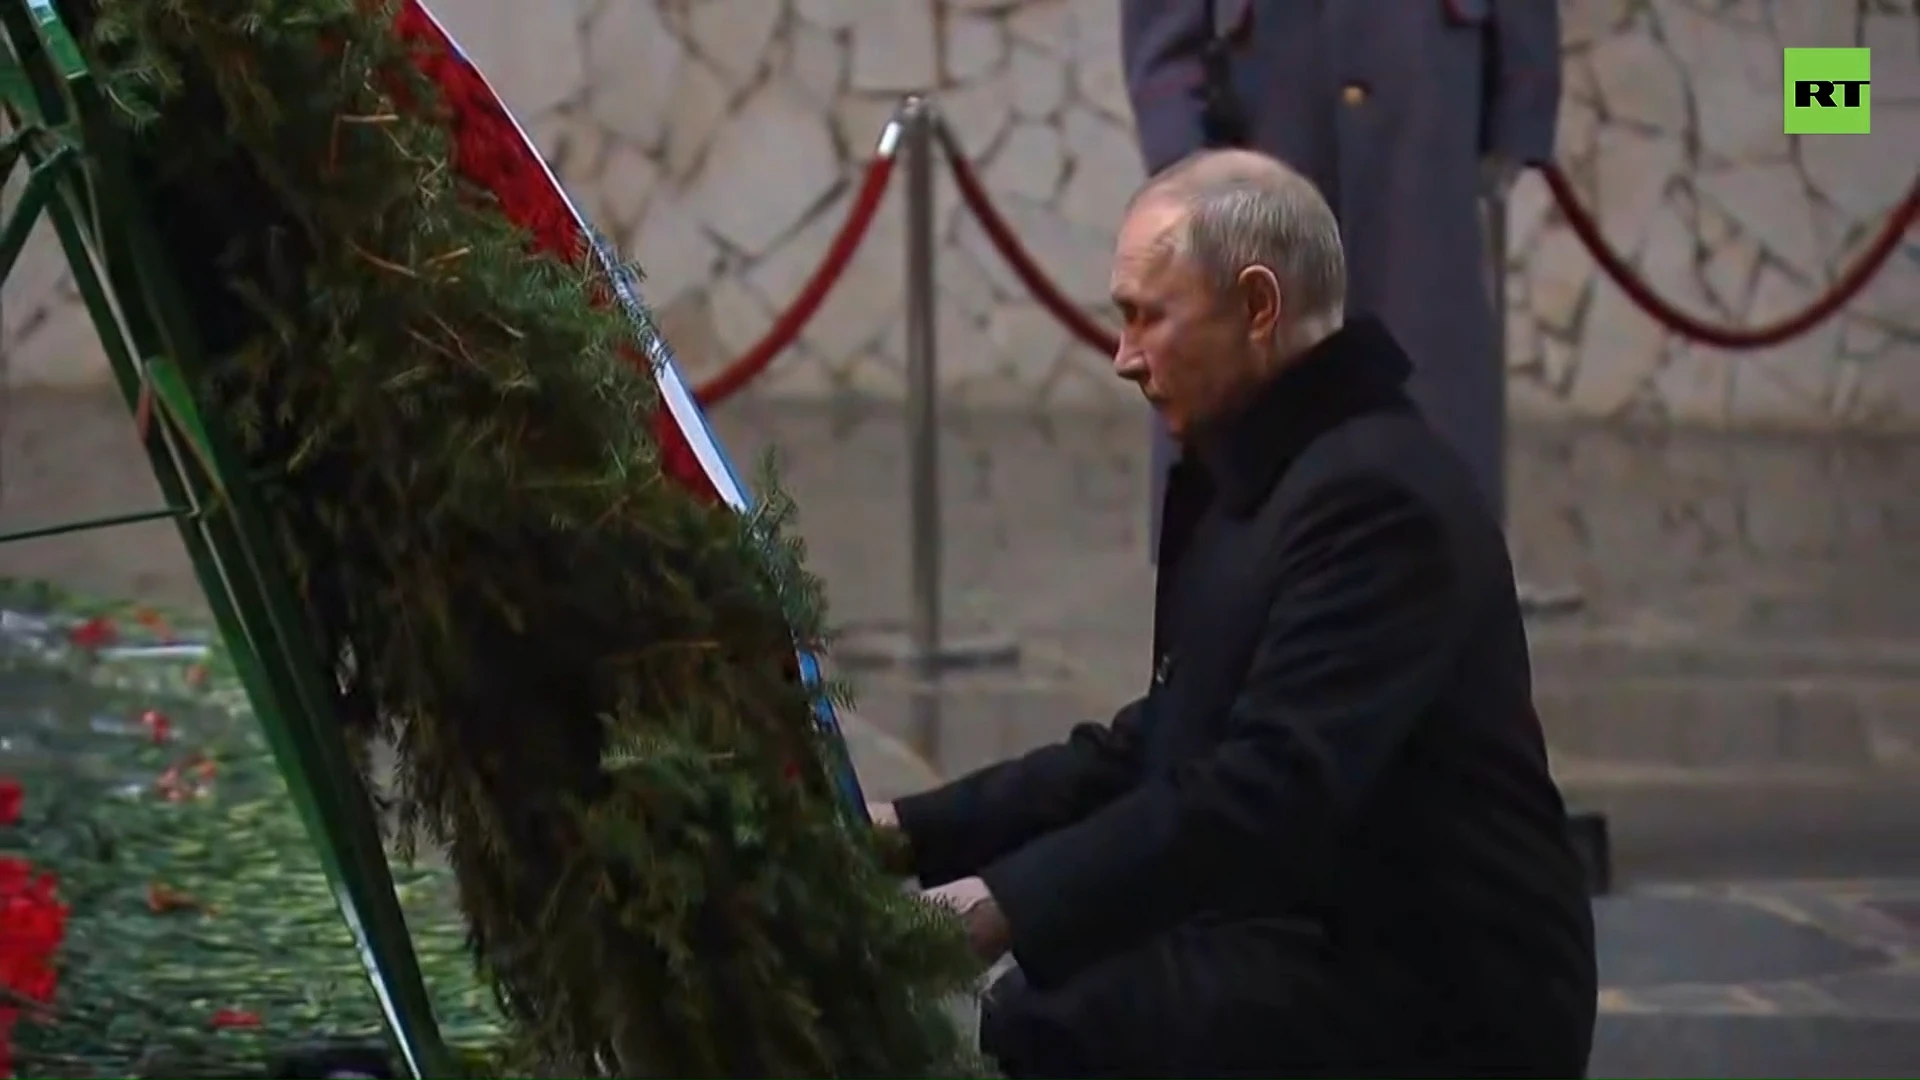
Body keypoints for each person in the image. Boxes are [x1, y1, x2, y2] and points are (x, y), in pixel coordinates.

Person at [873, 150, 1596, 1077]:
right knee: (1055, 1000)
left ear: (1259, 307)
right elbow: (1158, 744)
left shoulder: (1376, 500)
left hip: (1449, 993)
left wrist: (1002, 902)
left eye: (1147, 316)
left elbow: (1267, 787)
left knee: (1063, 1019)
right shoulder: (1271, 464)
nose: (1124, 357)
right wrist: (908, 830)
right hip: (1322, 928)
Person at [1122, 0, 1562, 547]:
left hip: (1426, 87)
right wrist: (1175, 131)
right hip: (1259, 88)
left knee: (1427, 374)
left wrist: (1524, 91)